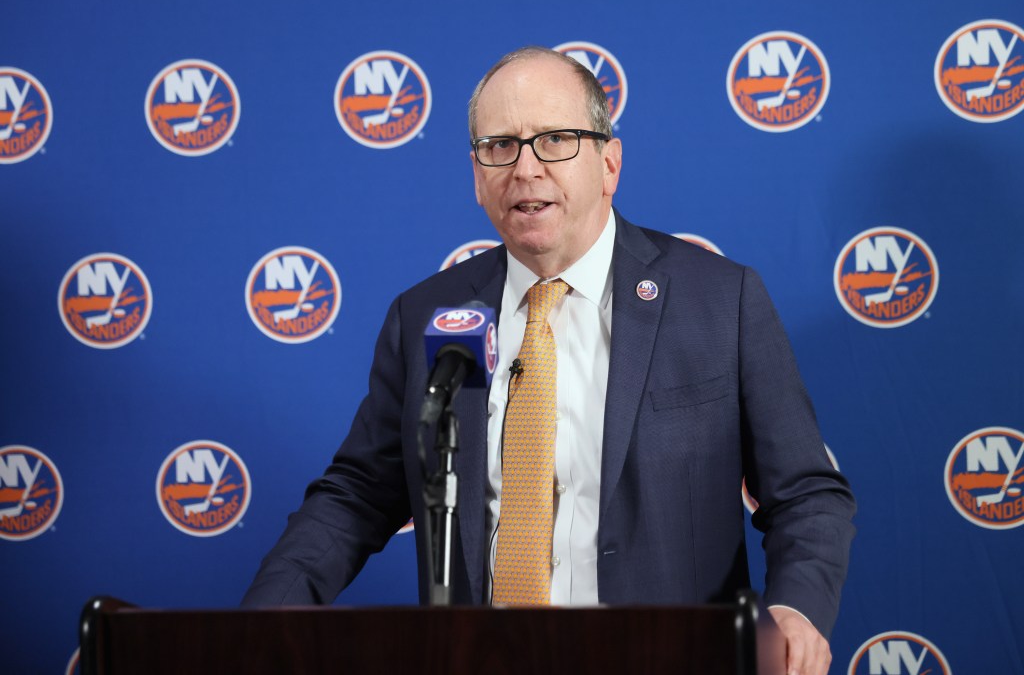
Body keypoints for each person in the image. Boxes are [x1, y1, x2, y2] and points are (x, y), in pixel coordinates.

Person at [243, 46, 856, 675]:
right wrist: (262, 622)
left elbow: (807, 493)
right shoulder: (428, 316)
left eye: (556, 140)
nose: (526, 169)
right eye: (500, 147)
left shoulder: (719, 302)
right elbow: (357, 497)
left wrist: (797, 611)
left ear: (609, 162)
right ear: (477, 176)